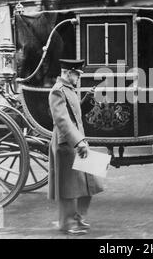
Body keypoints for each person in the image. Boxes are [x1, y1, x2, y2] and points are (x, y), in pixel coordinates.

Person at [48, 59, 103, 235]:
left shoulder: (69, 90)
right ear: (68, 73)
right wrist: (78, 142)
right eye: (77, 75)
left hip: (77, 142)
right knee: (69, 186)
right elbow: (62, 120)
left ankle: (79, 217)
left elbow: (75, 113)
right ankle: (67, 223)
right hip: (66, 144)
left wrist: (87, 99)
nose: (79, 78)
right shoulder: (57, 91)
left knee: (92, 178)